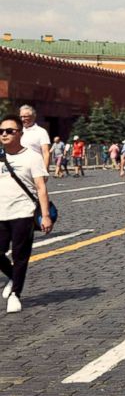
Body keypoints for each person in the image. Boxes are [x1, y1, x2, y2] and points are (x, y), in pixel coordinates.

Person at [0, 114, 53, 314]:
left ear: (19, 134)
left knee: (20, 256)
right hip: (0, 213)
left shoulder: (32, 157)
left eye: (9, 131)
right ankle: (14, 276)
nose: (4, 134)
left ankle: (15, 294)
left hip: (23, 213)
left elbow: (41, 188)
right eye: (1, 131)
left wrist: (45, 215)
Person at [19, 106, 51, 172]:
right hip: (19, 169)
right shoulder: (17, 131)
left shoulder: (41, 132)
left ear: (33, 117)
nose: (22, 119)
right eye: (21, 117)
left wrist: (45, 171)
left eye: (25, 116)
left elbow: (46, 153)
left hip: (35, 169)